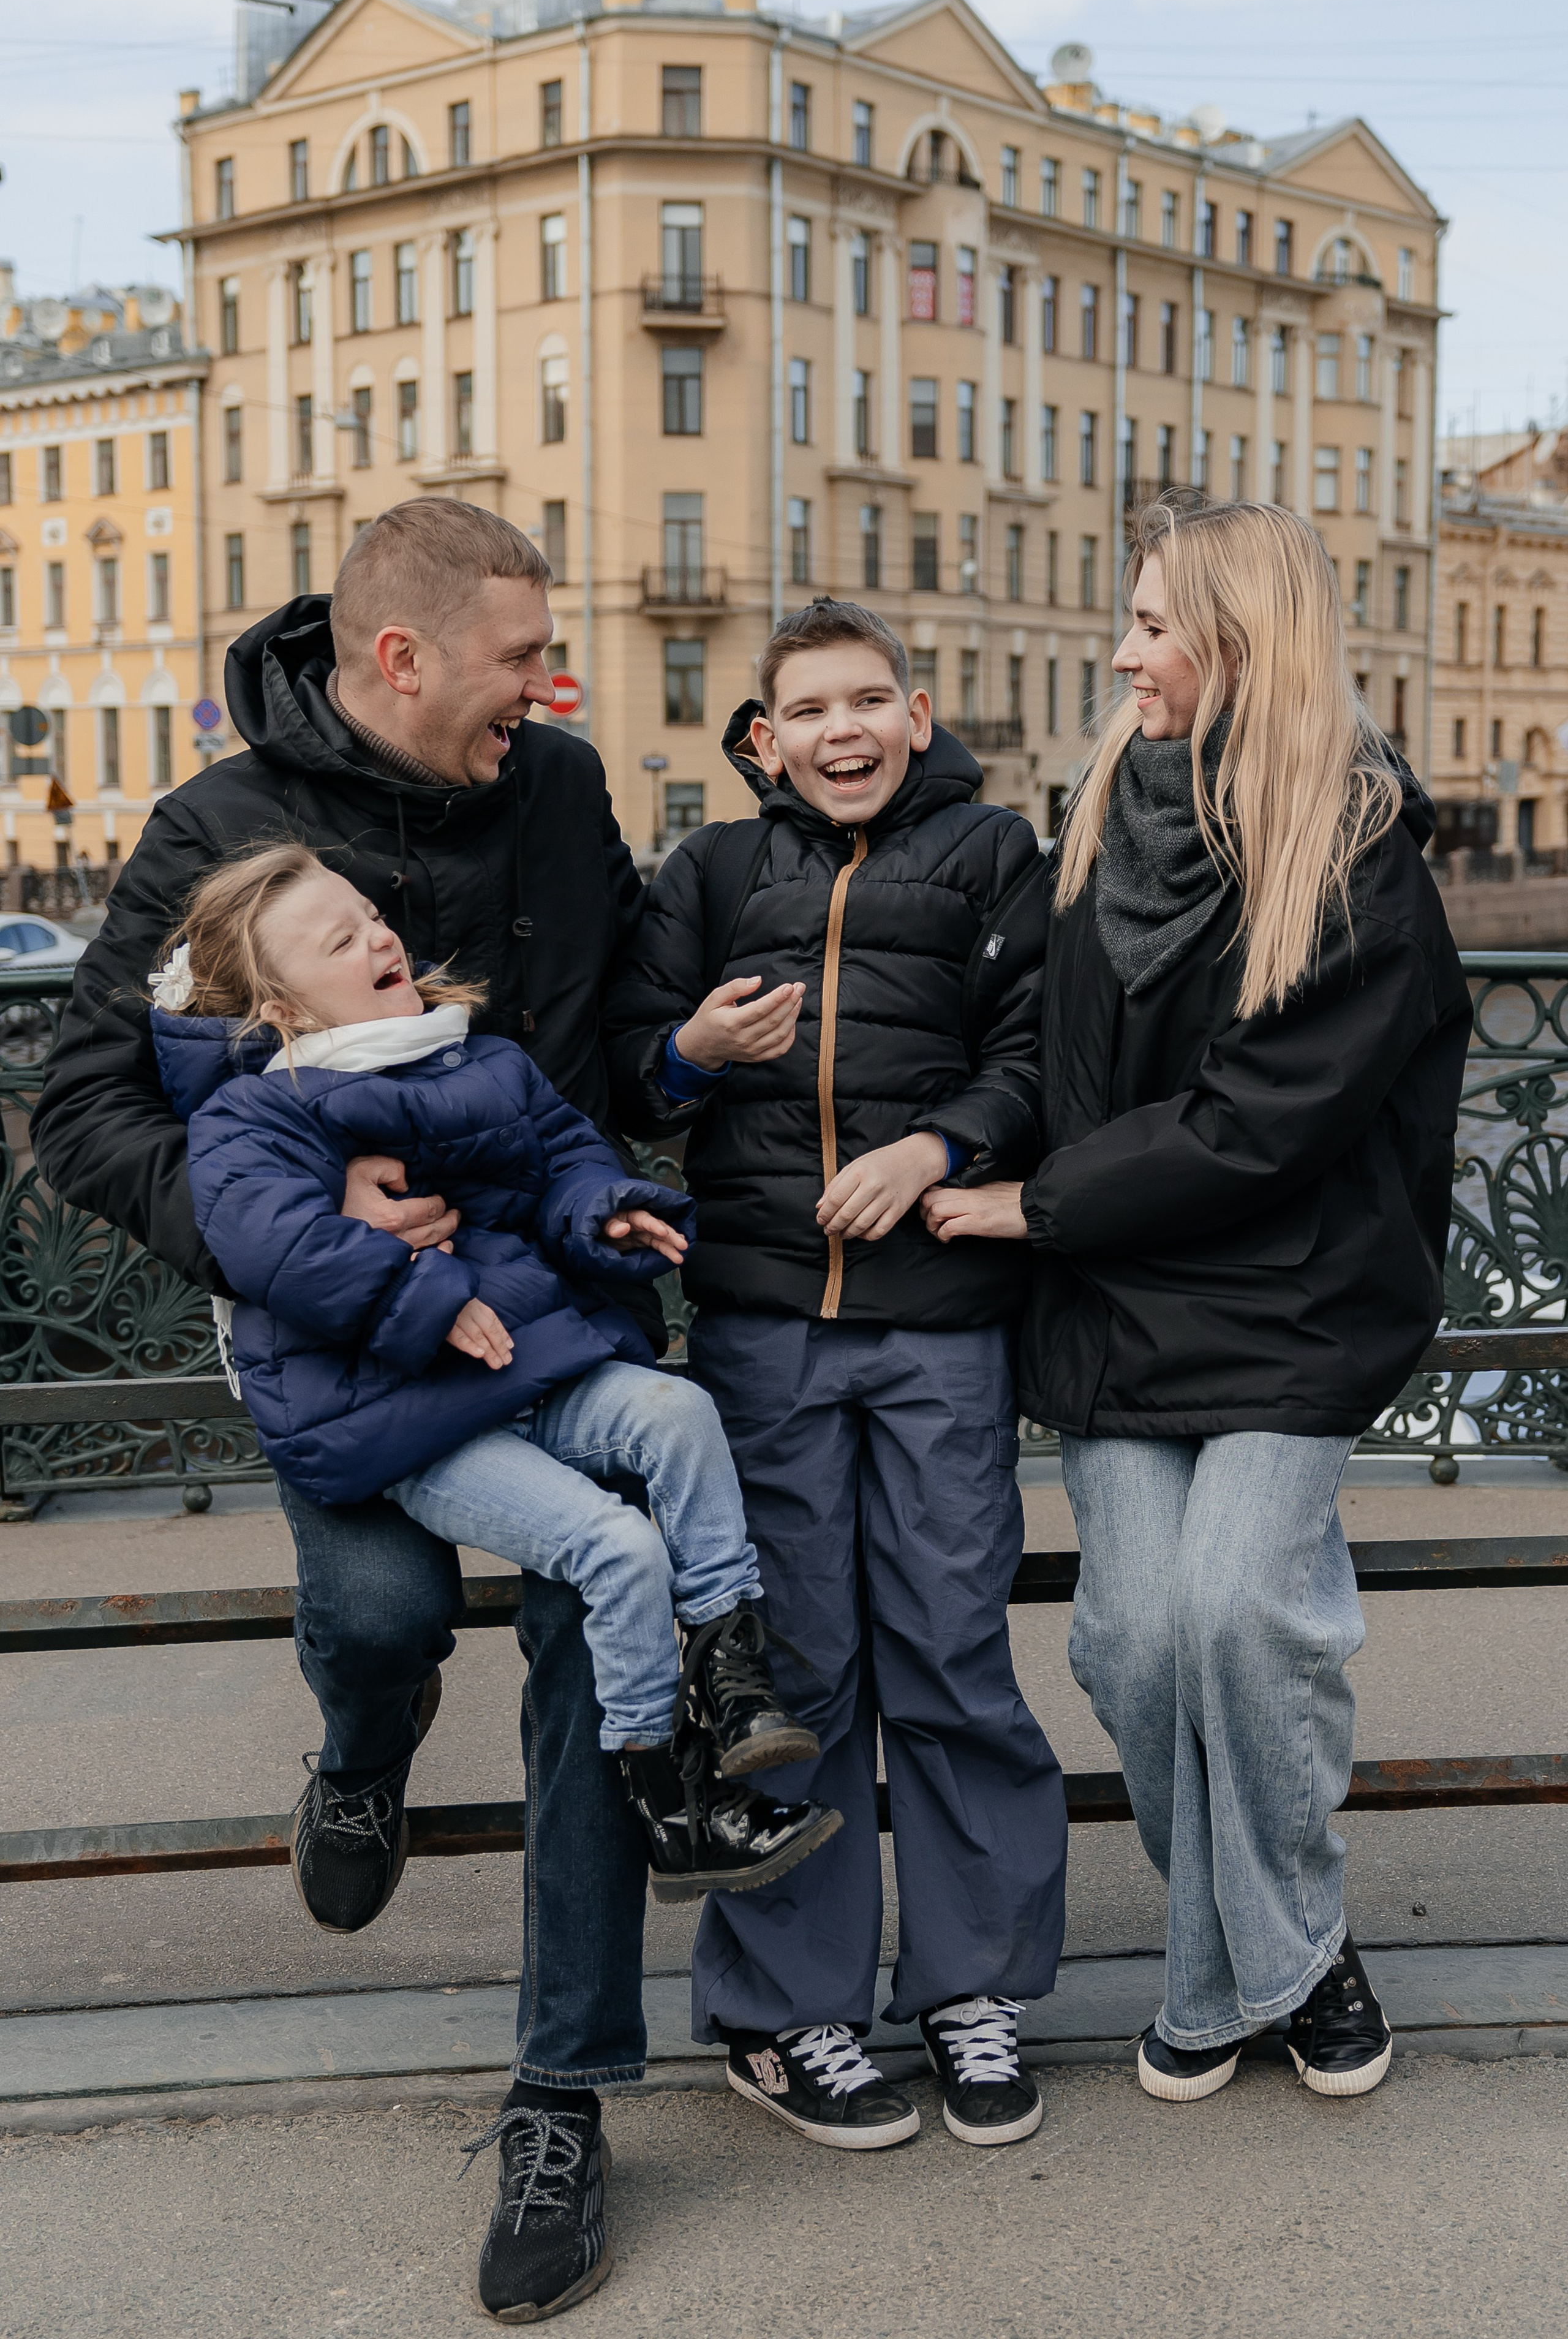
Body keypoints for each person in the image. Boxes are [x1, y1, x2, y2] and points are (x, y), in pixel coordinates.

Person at [30, 500, 671, 2321]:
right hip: (341, 1341)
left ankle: (562, 2095)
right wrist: (305, 1232)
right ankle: (363, 1754)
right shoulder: (214, 834)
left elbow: (607, 1035)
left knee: (592, 1615)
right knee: (386, 1611)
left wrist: (680, 1064)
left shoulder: (553, 794)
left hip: (542, 1314)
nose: (547, 686)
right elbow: (85, 1112)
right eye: (519, 658)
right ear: (399, 658)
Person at [924, 497, 1470, 2105]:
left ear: (1243, 643)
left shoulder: (1356, 851)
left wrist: (1032, 1202)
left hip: (1290, 1306)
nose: (1124, 653)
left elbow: (1262, 1126)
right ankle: (1268, 1949)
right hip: (1112, 1309)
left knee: (1239, 1613)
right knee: (1138, 1641)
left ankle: (1281, 1960)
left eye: (1156, 626)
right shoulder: (1098, 814)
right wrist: (938, 1133)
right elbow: (1027, 1043)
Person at [151, 842, 842, 1911]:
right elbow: (270, 1245)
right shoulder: (256, 1110)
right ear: (282, 1005)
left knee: (680, 1412)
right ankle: (672, 1802)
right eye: (343, 942)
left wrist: (604, 1211)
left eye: (372, 916)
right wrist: (424, 1299)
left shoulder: (473, 1060)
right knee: (614, 1548)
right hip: (401, 1418)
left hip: (521, 1365)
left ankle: (733, 1674)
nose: (381, 937)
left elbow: (562, 1157)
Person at [605, 597, 1067, 2153]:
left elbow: (1038, 1056)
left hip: (940, 1321)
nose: (843, 733)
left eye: (868, 701)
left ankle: (972, 1988)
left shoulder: (993, 856)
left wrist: (939, 1145)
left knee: (949, 1651)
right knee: (790, 1677)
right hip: (760, 1325)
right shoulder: (711, 871)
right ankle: (791, 2014)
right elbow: (624, 1071)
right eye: (808, 712)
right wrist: (692, 1057)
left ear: (916, 715)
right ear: (764, 739)